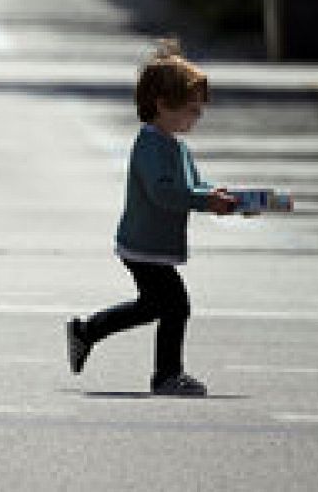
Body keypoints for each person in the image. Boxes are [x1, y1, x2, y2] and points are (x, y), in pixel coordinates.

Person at [65, 41, 237, 396]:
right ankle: (166, 376)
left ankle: (88, 331)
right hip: (143, 243)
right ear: (161, 104)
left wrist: (222, 198)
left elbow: (192, 185)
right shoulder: (151, 144)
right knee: (175, 306)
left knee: (153, 306)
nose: (196, 118)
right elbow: (164, 192)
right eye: (191, 111)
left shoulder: (173, 145)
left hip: (151, 244)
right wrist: (207, 201)